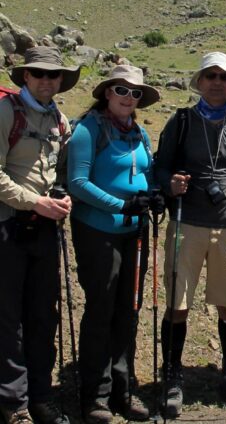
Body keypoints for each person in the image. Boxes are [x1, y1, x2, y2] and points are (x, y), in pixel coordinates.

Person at [154, 52, 226, 415]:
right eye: (210, 76)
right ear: (199, 82)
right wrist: (170, 183)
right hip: (187, 223)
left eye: (224, 77)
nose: (217, 82)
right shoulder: (180, 122)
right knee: (177, 304)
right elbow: (160, 167)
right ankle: (172, 376)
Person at [67, 65, 163, 424]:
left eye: (135, 93)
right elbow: (77, 182)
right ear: (107, 92)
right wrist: (121, 205)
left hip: (134, 232)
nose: (128, 97)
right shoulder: (88, 129)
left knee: (129, 309)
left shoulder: (139, 133)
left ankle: (124, 390)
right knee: (100, 309)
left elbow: (149, 174)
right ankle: (96, 396)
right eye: (121, 90)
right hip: (98, 232)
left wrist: (154, 196)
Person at [0, 46, 80, 424]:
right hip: (7, 227)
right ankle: (14, 403)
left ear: (60, 80)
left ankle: (40, 396)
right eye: (39, 74)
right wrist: (35, 202)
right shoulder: (5, 112)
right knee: (8, 318)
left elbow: (57, 173)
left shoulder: (60, 120)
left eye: (53, 75)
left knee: (42, 316)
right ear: (26, 77)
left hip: (43, 229)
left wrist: (59, 198)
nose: (46, 80)